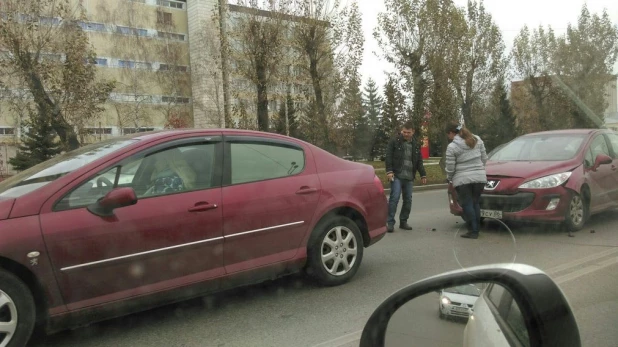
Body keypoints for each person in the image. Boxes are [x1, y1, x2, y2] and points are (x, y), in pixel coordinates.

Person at [445, 122, 488, 239]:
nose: (448, 137)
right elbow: (484, 158)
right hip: (479, 178)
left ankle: (472, 231)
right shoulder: (477, 140)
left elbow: (450, 167)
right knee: (475, 203)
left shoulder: (452, 147)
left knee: (467, 204)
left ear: (451, 133)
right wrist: (479, 170)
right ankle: (477, 229)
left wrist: (449, 178)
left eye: (448, 135)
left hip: (463, 180)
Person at [385, 121, 427, 233]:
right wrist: (389, 171)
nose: (406, 134)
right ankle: (390, 223)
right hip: (397, 175)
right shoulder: (394, 141)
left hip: (409, 177)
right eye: (404, 132)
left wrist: (423, 174)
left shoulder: (416, 144)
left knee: (408, 200)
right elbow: (388, 156)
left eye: (408, 132)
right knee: (394, 198)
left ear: (413, 131)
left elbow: (419, 161)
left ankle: (403, 221)